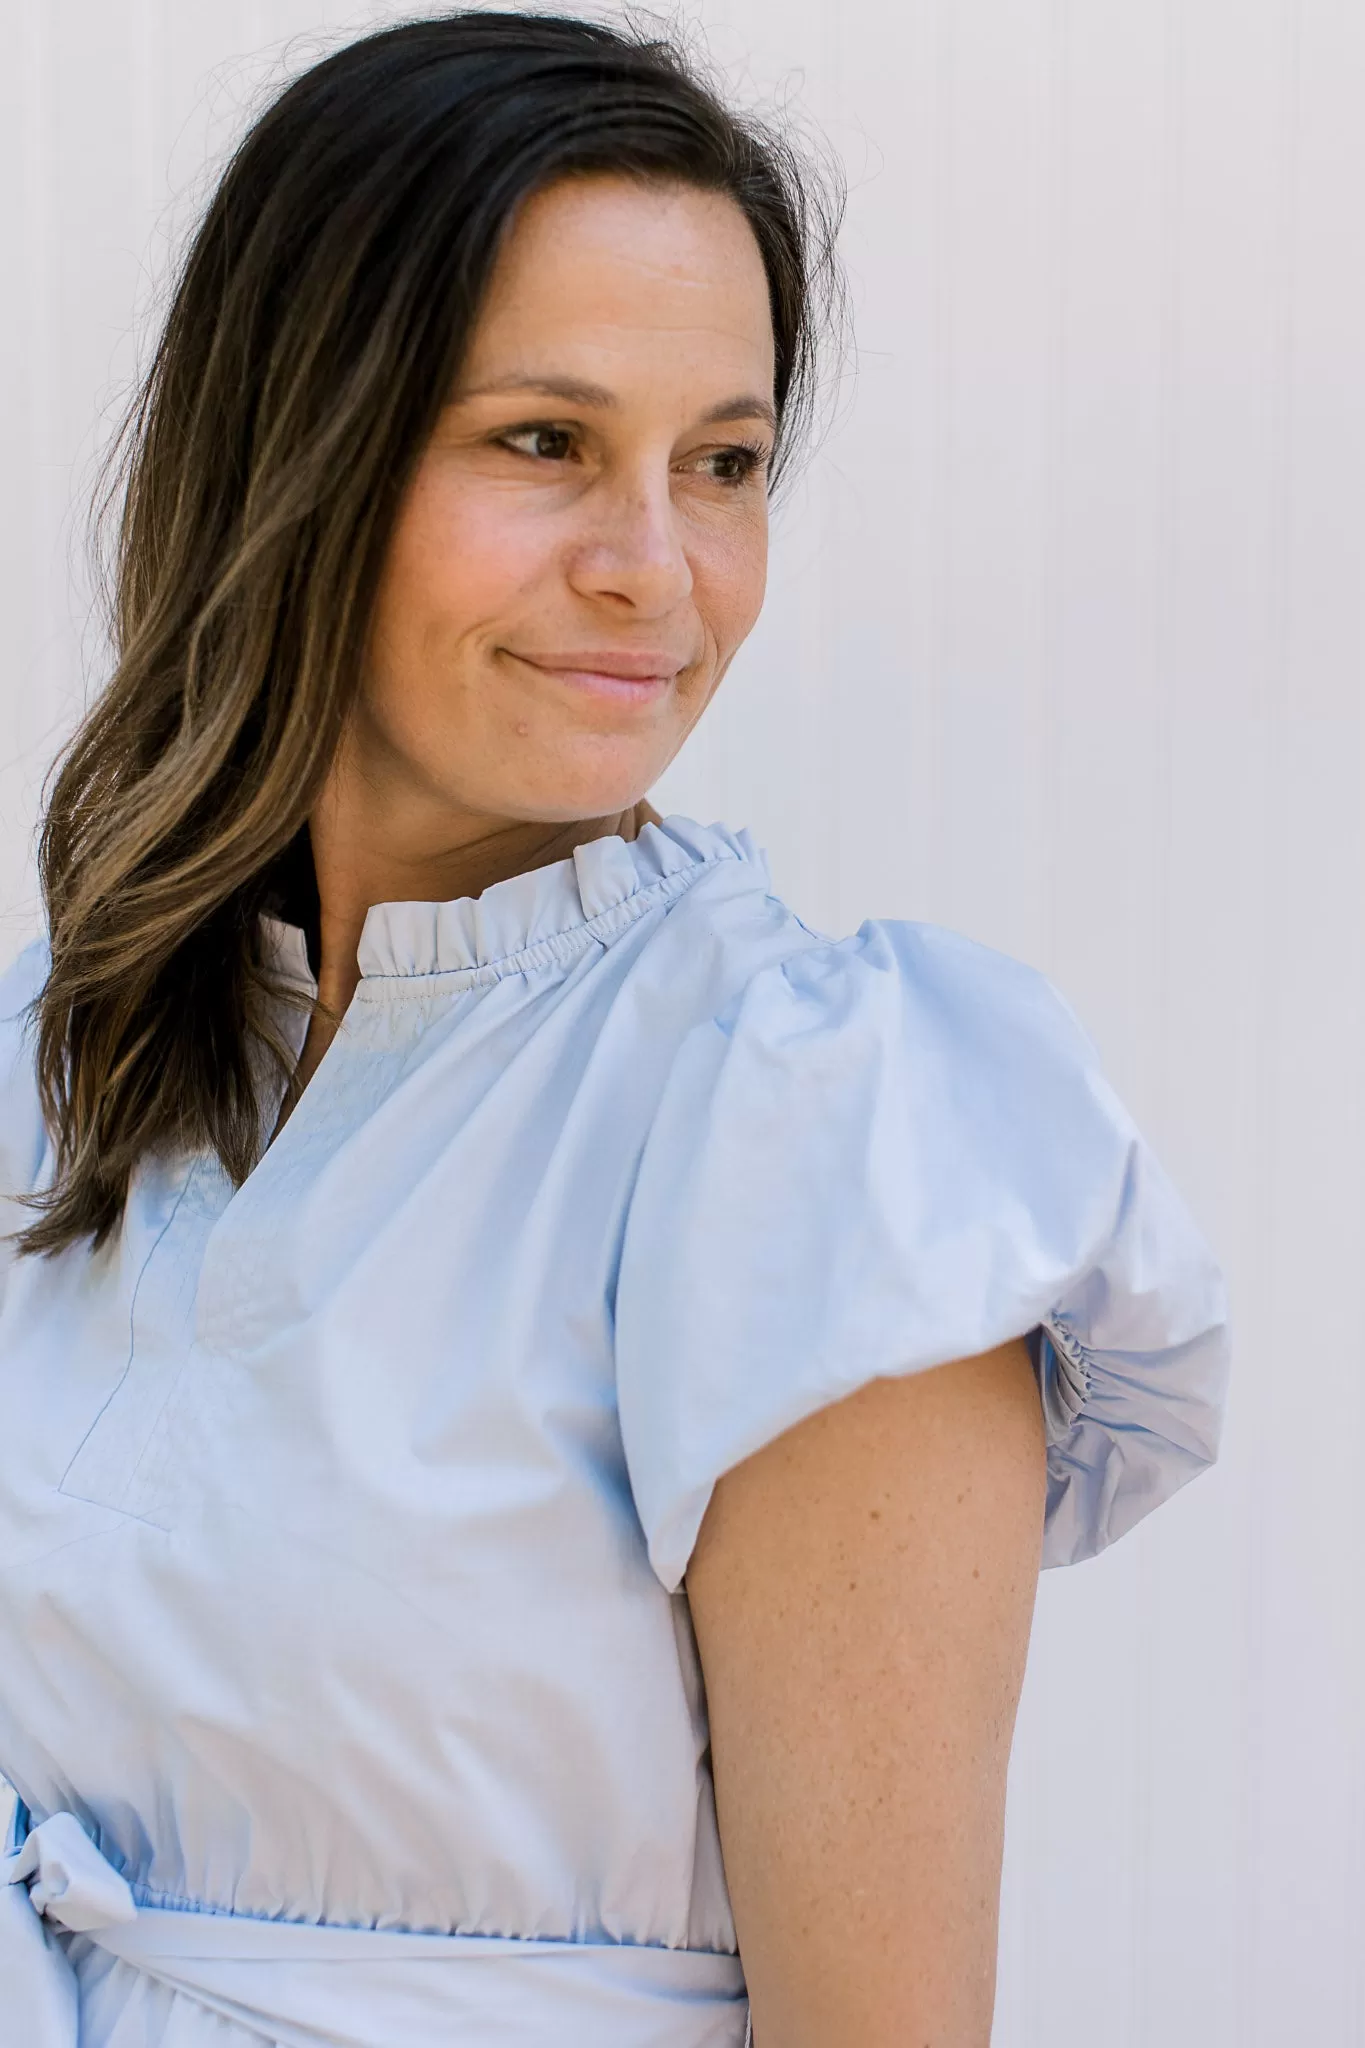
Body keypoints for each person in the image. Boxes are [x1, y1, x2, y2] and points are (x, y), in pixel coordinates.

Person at [0, 13, 1228, 2046]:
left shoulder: (827, 1131)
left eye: (721, 464)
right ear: (292, 458)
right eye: (542, 442)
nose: (653, 573)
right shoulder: (78, 1050)